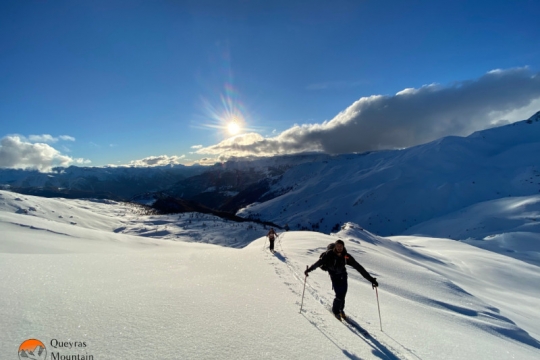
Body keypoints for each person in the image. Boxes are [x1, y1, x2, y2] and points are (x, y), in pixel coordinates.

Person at [304, 239, 378, 320]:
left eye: (341, 246)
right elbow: (319, 263)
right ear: (335, 247)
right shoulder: (328, 255)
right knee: (339, 295)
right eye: (338, 246)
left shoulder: (346, 256)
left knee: (343, 294)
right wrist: (309, 270)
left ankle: (340, 309)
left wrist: (371, 280)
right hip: (334, 276)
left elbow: (359, 268)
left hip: (343, 275)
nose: (339, 248)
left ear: (343, 247)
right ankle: (336, 311)